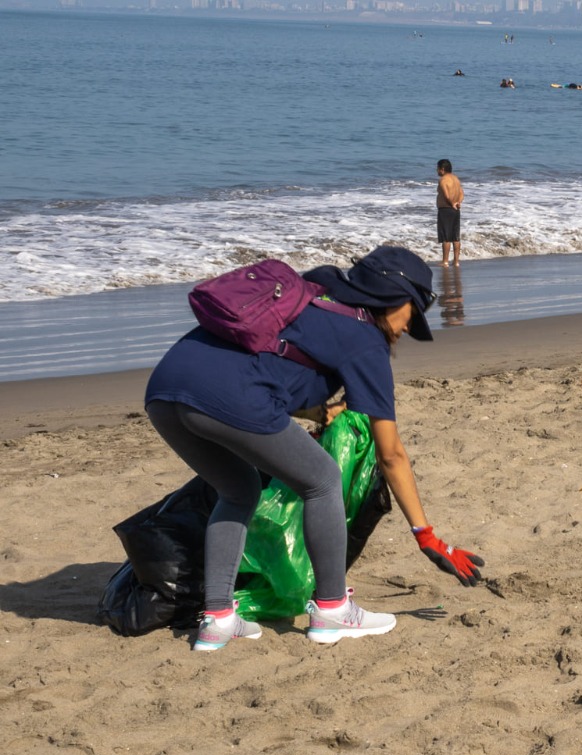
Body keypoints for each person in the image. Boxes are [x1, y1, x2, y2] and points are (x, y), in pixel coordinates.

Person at [143, 246, 485, 652]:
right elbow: (391, 454)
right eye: (414, 313)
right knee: (322, 479)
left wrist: (316, 410)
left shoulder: (315, 290)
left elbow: (268, 360)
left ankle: (217, 620)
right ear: (396, 298)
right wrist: (425, 535)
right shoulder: (365, 339)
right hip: (227, 396)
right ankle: (332, 609)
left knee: (237, 490)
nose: (410, 328)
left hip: (165, 388)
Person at [435, 159, 463, 267]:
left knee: (446, 237)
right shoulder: (456, 179)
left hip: (446, 209)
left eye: (437, 168)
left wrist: (451, 204)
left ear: (442, 169)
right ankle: (456, 262)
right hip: (455, 210)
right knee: (455, 236)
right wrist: (458, 202)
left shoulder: (443, 180)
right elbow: (461, 193)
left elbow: (446, 196)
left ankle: (445, 261)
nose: (436, 170)